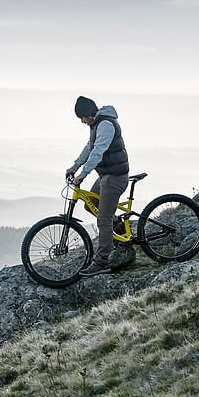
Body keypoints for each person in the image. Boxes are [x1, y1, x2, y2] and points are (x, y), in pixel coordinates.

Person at [65, 96, 129, 276]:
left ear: (88, 114)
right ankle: (119, 229)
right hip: (106, 175)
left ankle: (102, 262)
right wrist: (74, 167)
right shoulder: (96, 124)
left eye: (82, 118)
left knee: (103, 219)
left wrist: (82, 175)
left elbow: (98, 152)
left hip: (115, 177)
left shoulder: (106, 125)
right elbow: (89, 148)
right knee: (90, 204)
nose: (82, 122)